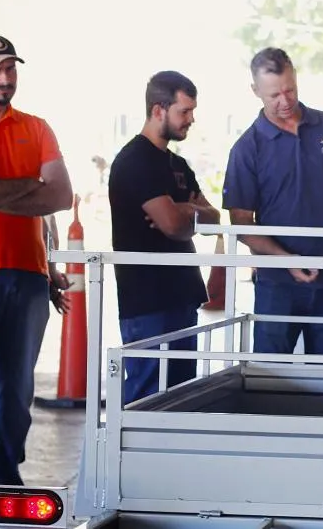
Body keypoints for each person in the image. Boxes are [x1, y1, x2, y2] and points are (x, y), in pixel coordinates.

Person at [0, 33, 73, 486]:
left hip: (29, 276)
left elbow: (62, 195)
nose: (5, 78)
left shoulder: (37, 128)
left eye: (11, 68)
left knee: (16, 387)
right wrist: (31, 186)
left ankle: (6, 472)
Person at [223, 47, 323, 355]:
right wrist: (287, 260)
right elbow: (242, 225)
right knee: (270, 378)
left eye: (290, 90)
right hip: (278, 284)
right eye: (274, 95)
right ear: (255, 91)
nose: (285, 101)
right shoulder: (246, 149)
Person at [108, 71, 220, 404]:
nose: (191, 119)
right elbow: (173, 226)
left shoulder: (179, 164)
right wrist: (188, 213)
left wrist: (182, 209)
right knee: (147, 400)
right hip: (147, 302)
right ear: (159, 110)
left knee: (182, 399)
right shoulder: (134, 161)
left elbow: (212, 218)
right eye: (183, 111)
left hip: (182, 295)